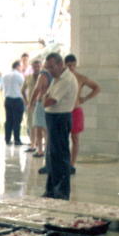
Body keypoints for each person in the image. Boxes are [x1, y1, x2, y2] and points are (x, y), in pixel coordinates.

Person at [42, 52, 79, 200]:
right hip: (54, 117)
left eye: (51, 67)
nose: (49, 70)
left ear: (59, 64)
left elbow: (49, 100)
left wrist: (44, 99)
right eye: (48, 67)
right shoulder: (57, 78)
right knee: (52, 156)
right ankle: (51, 190)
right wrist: (44, 98)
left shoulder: (66, 80)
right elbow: (46, 96)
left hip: (60, 118)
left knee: (60, 157)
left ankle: (62, 193)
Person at [64, 54, 101, 173]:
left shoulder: (80, 78)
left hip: (75, 110)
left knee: (75, 139)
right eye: (68, 65)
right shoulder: (62, 78)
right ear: (65, 65)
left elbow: (97, 88)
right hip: (63, 112)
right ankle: (64, 162)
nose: (71, 68)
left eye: (73, 65)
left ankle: (72, 164)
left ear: (75, 65)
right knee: (63, 139)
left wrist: (85, 98)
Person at [23, 59, 47, 155]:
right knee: (31, 125)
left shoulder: (44, 77)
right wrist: (27, 102)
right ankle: (33, 145)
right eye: (34, 67)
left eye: (38, 66)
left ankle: (45, 146)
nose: (36, 68)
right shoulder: (28, 78)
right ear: (32, 67)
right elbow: (22, 90)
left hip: (42, 104)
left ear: (41, 67)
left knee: (43, 126)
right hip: (31, 105)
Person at [2, 60, 25, 146]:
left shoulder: (5, 75)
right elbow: (23, 88)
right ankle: (17, 139)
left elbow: (3, 87)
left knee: (8, 120)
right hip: (17, 100)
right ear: (18, 66)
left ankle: (7, 139)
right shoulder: (19, 76)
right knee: (17, 121)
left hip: (7, 99)